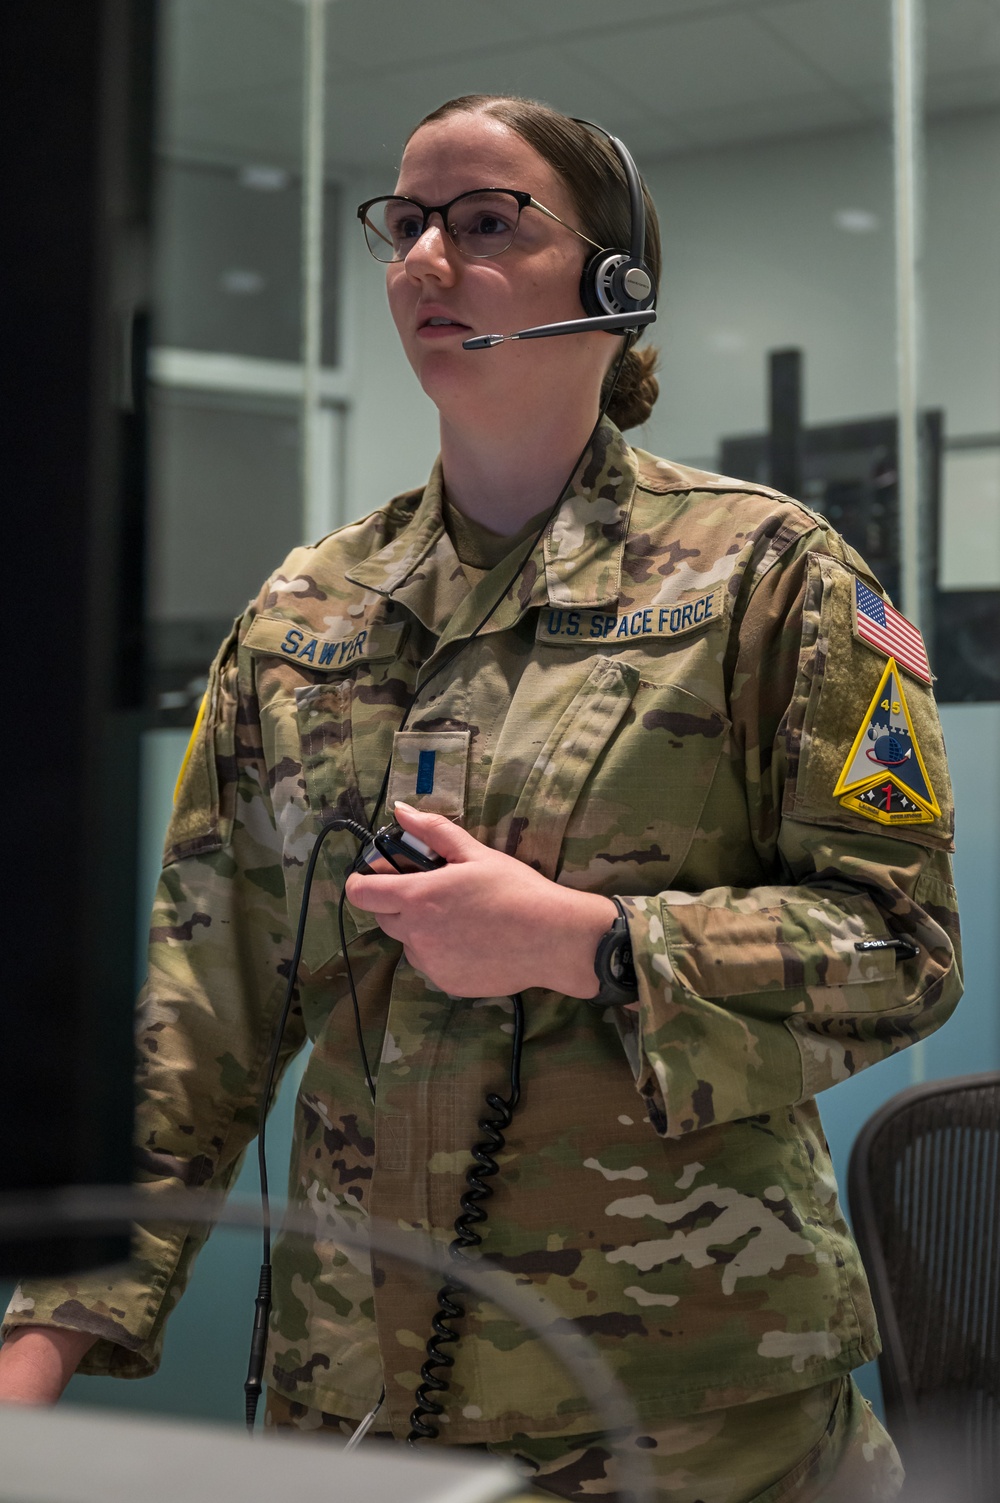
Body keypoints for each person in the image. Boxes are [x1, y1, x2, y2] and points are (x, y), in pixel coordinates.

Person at [0, 95, 961, 1501]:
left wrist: (589, 943)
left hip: (701, 1416)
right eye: (407, 223)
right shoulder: (303, 610)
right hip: (358, 1403)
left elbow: (903, 955)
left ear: (615, 282)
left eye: (489, 220)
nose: (429, 259)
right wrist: (38, 1349)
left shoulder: (774, 577)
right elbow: (195, 1020)